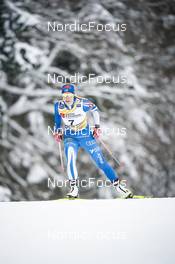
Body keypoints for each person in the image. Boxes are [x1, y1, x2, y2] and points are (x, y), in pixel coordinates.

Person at [54, 84, 133, 199]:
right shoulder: (58, 105)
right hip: (70, 137)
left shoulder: (82, 103)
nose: (67, 97)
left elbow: (95, 110)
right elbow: (57, 121)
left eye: (69, 95)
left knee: (101, 162)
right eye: (64, 95)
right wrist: (57, 131)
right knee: (70, 159)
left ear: (73, 94)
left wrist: (97, 127)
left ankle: (119, 187)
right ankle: (74, 190)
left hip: (86, 136)